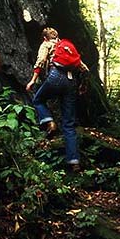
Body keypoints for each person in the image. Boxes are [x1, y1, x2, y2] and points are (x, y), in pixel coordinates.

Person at [26, 27, 88, 171]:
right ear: (58, 36)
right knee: (69, 124)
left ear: (45, 38)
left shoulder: (46, 44)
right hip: (71, 83)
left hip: (55, 76)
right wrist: (83, 86)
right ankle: (74, 162)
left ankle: (49, 122)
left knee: (38, 100)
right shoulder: (67, 47)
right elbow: (84, 68)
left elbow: (41, 60)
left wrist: (33, 80)